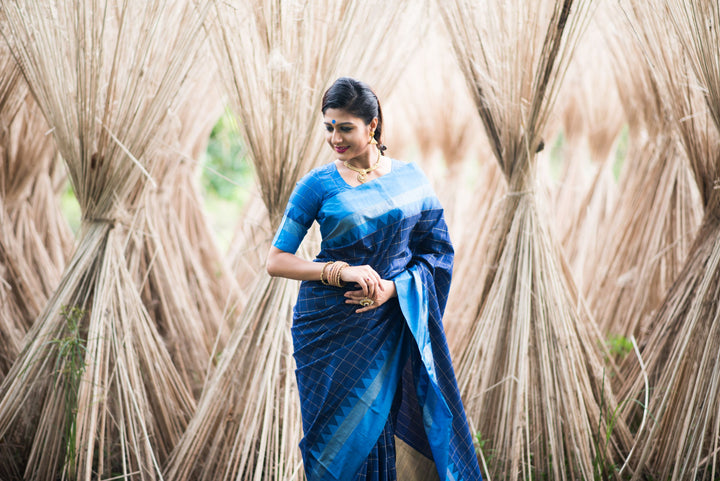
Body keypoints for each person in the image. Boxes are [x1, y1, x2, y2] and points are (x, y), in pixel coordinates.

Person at [267, 77, 482, 481]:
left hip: (391, 322)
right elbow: (276, 261)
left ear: (373, 124)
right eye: (329, 127)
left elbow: (437, 252)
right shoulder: (316, 185)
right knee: (333, 439)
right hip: (329, 330)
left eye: (345, 127)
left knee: (383, 422)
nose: (335, 138)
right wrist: (340, 270)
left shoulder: (411, 179)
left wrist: (394, 289)